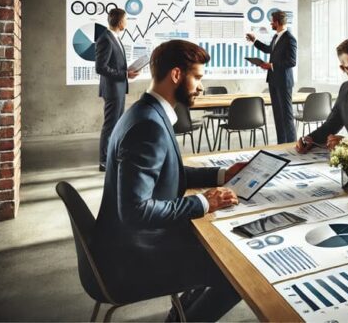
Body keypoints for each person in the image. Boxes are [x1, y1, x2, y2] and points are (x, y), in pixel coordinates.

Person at [94, 40, 245, 322]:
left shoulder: (146, 113)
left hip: (130, 243)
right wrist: (203, 202)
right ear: (176, 75)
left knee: (220, 252)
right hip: (133, 257)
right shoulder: (148, 126)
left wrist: (222, 175)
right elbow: (136, 211)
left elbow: (168, 173)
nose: (201, 86)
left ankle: (180, 318)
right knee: (237, 268)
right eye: (198, 77)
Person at [96, 8, 139, 172]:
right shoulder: (105, 39)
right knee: (110, 125)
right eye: (126, 19)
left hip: (118, 88)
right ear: (120, 21)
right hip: (112, 89)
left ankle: (112, 158)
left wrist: (126, 74)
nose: (127, 22)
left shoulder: (115, 38)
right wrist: (124, 74)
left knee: (116, 125)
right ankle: (104, 161)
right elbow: (101, 67)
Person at [246, 10, 297, 143]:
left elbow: (292, 61)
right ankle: (281, 145)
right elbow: (269, 49)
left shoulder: (290, 39)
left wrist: (272, 65)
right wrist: (254, 40)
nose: (270, 23)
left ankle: (291, 145)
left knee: (286, 116)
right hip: (273, 81)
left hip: (284, 82)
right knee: (278, 116)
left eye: (272, 21)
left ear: (277, 22)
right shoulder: (276, 37)